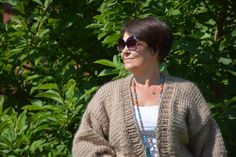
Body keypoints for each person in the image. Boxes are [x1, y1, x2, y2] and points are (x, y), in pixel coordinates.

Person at [72, 16, 227, 157]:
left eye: (132, 43)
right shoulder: (108, 94)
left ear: (156, 48)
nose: (125, 51)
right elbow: (84, 142)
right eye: (122, 45)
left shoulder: (186, 92)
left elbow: (211, 146)